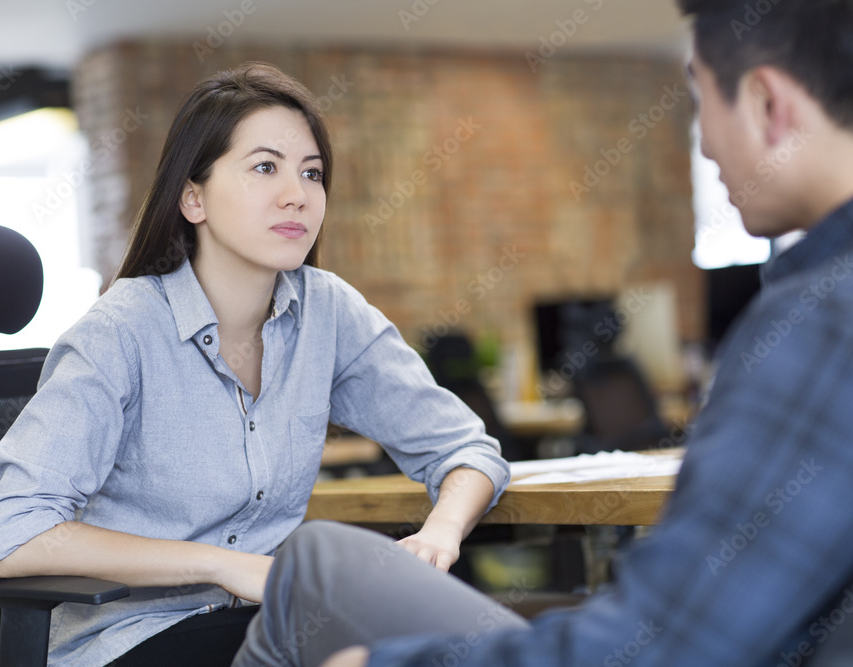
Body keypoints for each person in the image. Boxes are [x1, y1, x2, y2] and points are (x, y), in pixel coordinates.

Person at [230, 1, 853, 665]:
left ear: (766, 104)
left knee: (313, 571)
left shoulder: (819, 322)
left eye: (701, 102)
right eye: (265, 168)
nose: (701, 144)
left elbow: (661, 651)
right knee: (319, 561)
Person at [0, 62, 511, 667]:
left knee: (405, 625)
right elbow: (14, 534)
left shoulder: (327, 311)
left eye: (312, 173)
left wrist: (440, 533)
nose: (297, 194)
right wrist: (225, 566)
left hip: (265, 626)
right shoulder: (119, 333)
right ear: (193, 197)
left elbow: (468, 451)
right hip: (134, 640)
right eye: (265, 167)